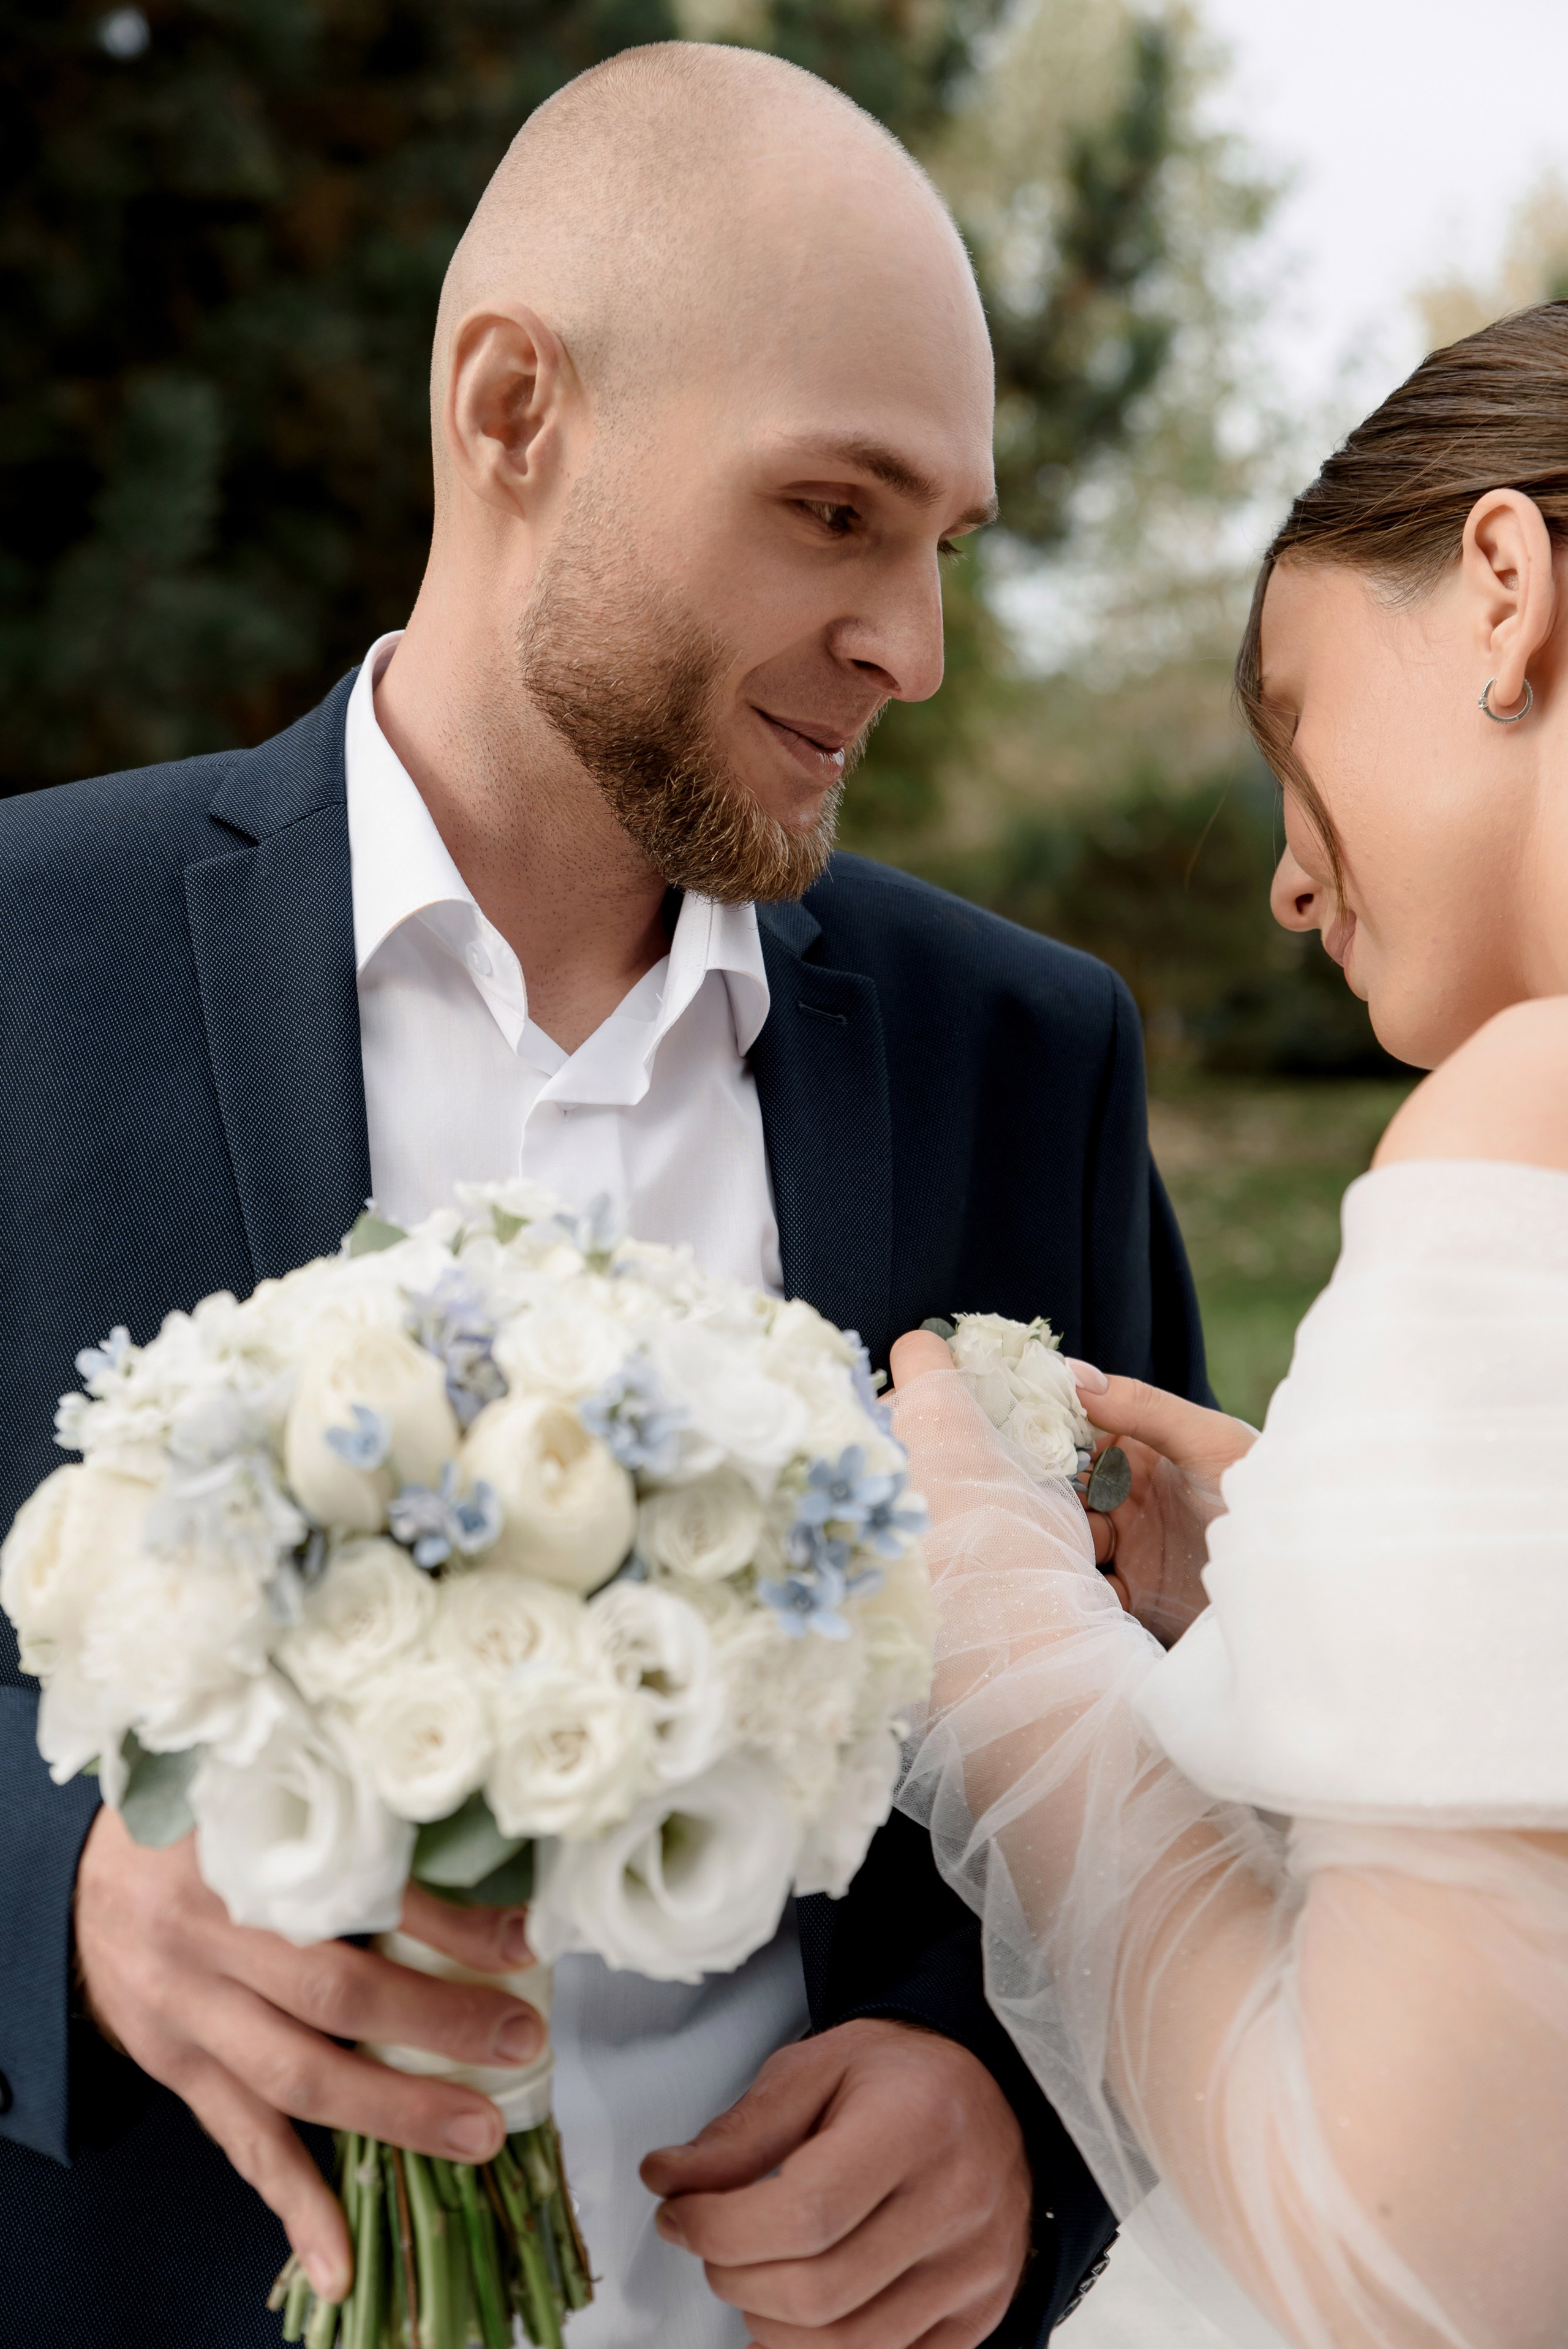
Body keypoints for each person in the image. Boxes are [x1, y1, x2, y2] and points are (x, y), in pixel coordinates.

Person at [0, 43, 1210, 2349]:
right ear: (512, 410)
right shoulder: (21, 962)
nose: (914, 648)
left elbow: (1165, 1748)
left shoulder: (1025, 1057)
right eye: (833, 511)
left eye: (941, 549)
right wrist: (57, 1892)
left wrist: (1009, 2107)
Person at [883, 299, 1568, 2349]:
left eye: (1295, 713)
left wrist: (1001, 1635)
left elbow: (1392, 2260)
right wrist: (1322, 1609)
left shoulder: (1524, 1117)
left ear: (1505, 586)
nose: (1284, 876)